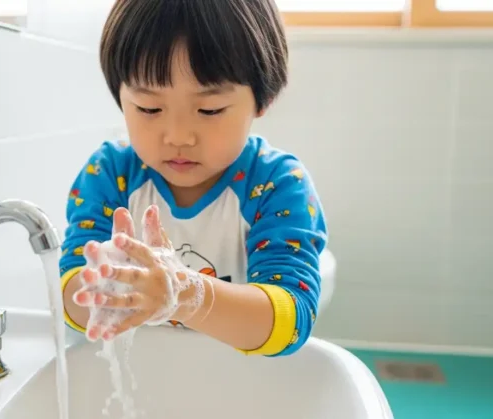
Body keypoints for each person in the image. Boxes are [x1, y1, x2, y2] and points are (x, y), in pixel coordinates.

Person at [58, 0, 328, 358]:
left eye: (209, 110)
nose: (178, 136)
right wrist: (108, 287)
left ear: (262, 99)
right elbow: (71, 299)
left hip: (244, 382)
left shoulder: (278, 185)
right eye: (149, 109)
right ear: (121, 97)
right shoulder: (111, 174)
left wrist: (185, 295)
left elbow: (291, 319)